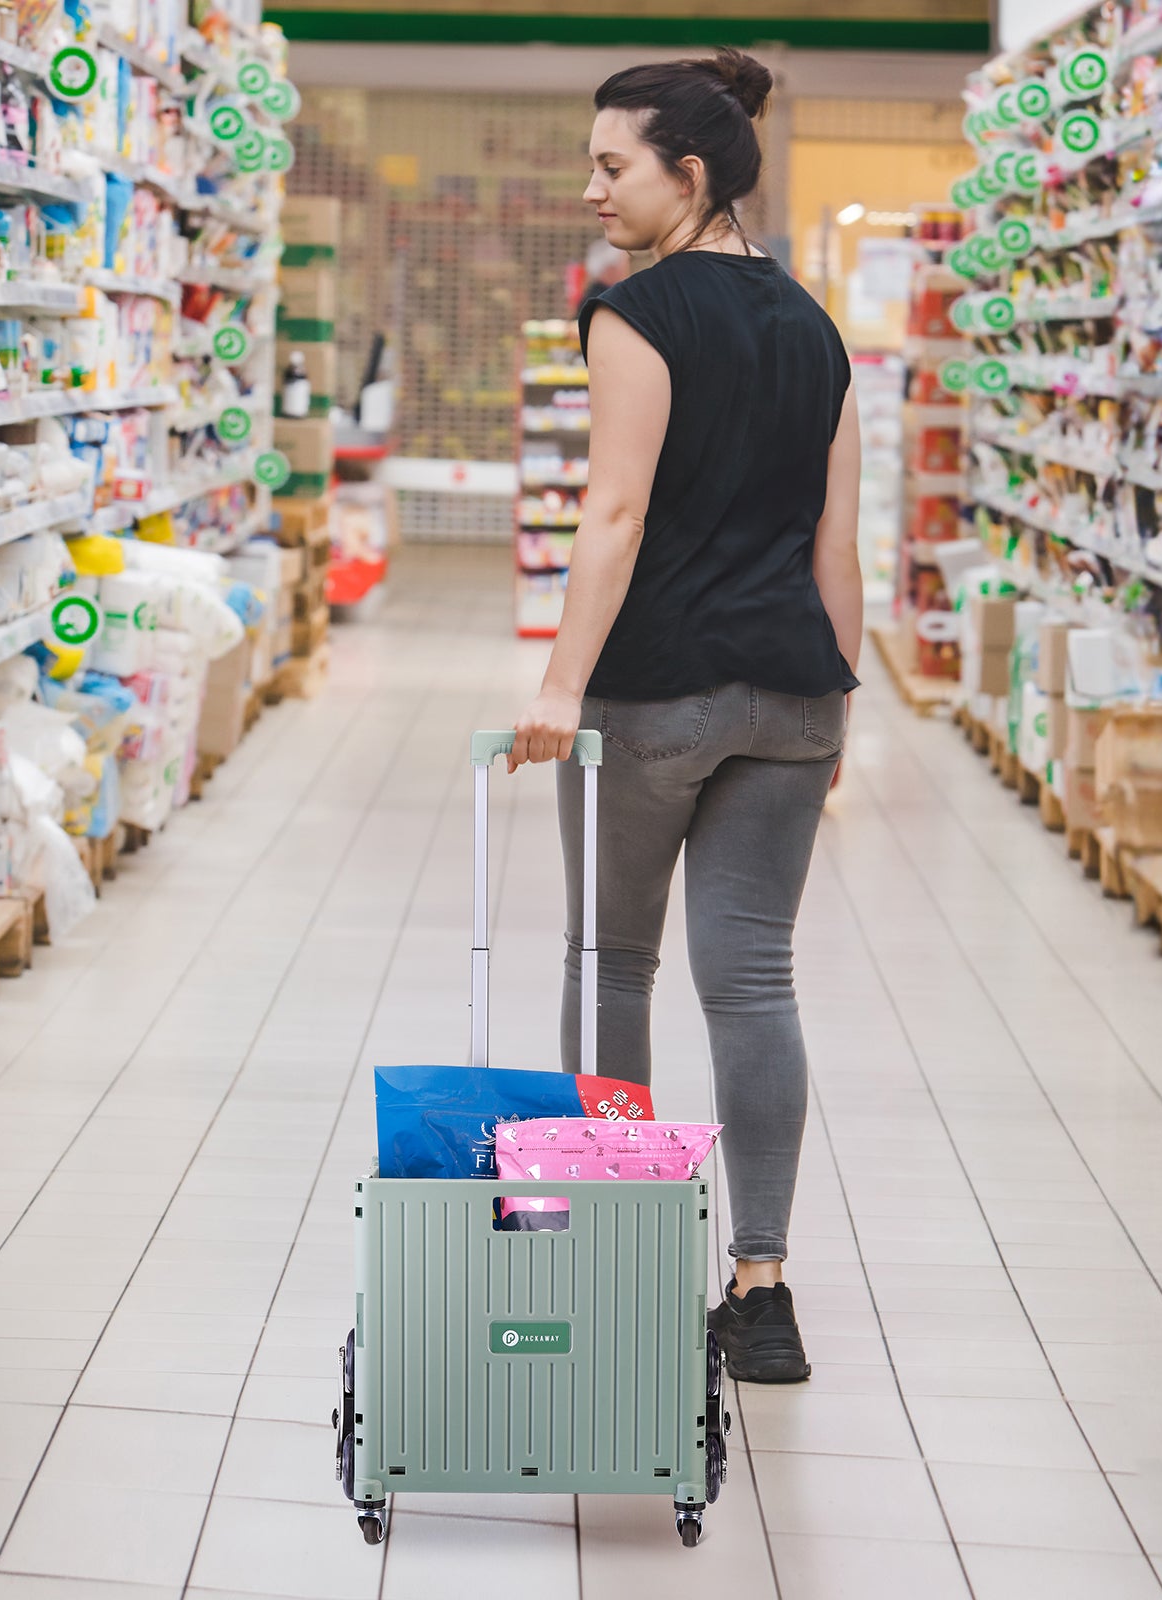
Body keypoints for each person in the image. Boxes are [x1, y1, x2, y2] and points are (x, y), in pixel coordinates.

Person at [507, 47, 862, 1384]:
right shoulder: (817, 328)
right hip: (794, 695)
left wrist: (558, 681)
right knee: (754, 982)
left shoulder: (636, 312)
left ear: (689, 174)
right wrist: (842, 710)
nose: (592, 190)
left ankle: (612, 1255)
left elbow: (615, 511)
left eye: (614, 166)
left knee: (610, 963)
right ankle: (759, 1291)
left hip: (653, 689)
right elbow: (843, 548)